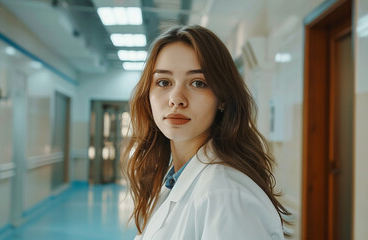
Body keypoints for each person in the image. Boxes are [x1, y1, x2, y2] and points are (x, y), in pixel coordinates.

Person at [121, 25, 290, 240]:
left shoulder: (226, 195)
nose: (176, 98)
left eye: (198, 83)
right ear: (148, 94)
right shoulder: (173, 177)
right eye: (164, 82)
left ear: (222, 99)